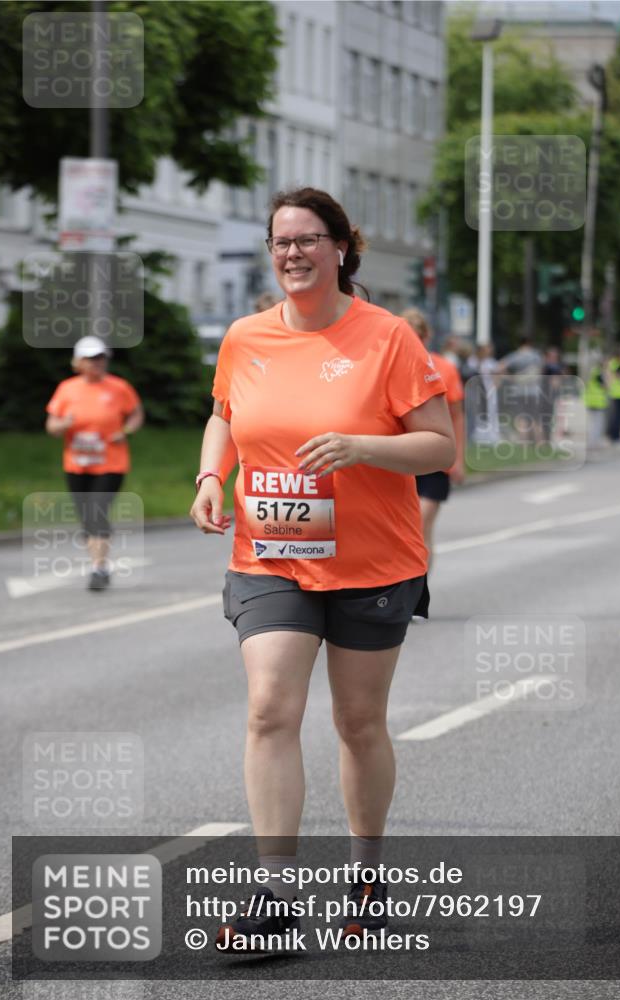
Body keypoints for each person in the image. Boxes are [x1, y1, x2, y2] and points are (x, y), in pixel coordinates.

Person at [190, 187, 455, 948]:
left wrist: (361, 445)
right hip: (271, 554)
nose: (293, 254)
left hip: (372, 559)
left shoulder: (388, 337)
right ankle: (274, 897)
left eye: (309, 240)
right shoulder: (245, 336)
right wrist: (212, 477)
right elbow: (225, 415)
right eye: (281, 242)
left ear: (342, 247)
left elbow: (437, 445)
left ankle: (366, 878)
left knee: (357, 722)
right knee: (270, 706)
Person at [45, 336, 143, 590]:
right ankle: (98, 564)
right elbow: (51, 426)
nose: (97, 363)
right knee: (87, 516)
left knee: (96, 511)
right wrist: (63, 424)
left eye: (100, 357)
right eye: (91, 358)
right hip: (77, 464)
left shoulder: (119, 387)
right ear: (78, 362)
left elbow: (136, 413)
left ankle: (99, 568)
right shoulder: (67, 388)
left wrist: (127, 431)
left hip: (111, 463)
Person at [401, 308, 465, 620]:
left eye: (416, 334)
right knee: (403, 530)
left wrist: (459, 458)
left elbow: (456, 416)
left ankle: (416, 594)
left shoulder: (443, 368)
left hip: (435, 462)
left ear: (426, 337)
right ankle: (401, 588)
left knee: (422, 524)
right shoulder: (390, 365)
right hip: (401, 460)